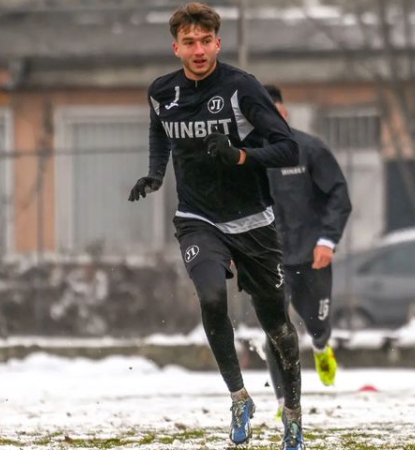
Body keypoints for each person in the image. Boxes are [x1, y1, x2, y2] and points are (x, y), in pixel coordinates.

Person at [127, 4, 305, 449]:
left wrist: (242, 156)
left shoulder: (242, 88)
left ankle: (293, 415)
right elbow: (159, 130)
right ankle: (239, 398)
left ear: (218, 44)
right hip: (198, 218)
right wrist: (155, 174)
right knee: (210, 298)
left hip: (254, 222)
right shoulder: (161, 92)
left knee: (277, 326)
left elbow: (288, 148)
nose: (199, 50)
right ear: (176, 47)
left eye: (206, 41)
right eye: (189, 42)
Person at [262, 85, 352, 416]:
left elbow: (338, 196)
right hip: (269, 258)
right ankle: (284, 403)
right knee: (275, 328)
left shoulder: (310, 149)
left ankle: (321, 345)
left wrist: (327, 240)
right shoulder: (247, 157)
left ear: (284, 112)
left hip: (312, 255)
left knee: (316, 321)